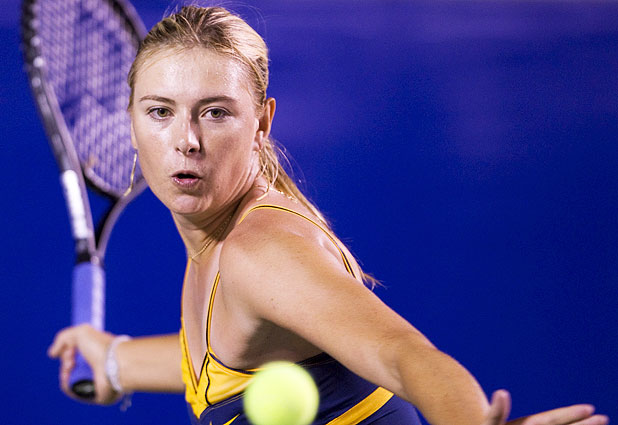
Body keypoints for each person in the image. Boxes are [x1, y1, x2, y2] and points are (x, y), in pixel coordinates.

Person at [48, 6, 609, 425]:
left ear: (261, 124)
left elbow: (405, 356)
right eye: (160, 112)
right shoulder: (218, 242)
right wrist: (116, 361)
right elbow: (227, 356)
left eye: (215, 113)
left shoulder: (258, 250)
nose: (186, 139)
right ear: (130, 122)